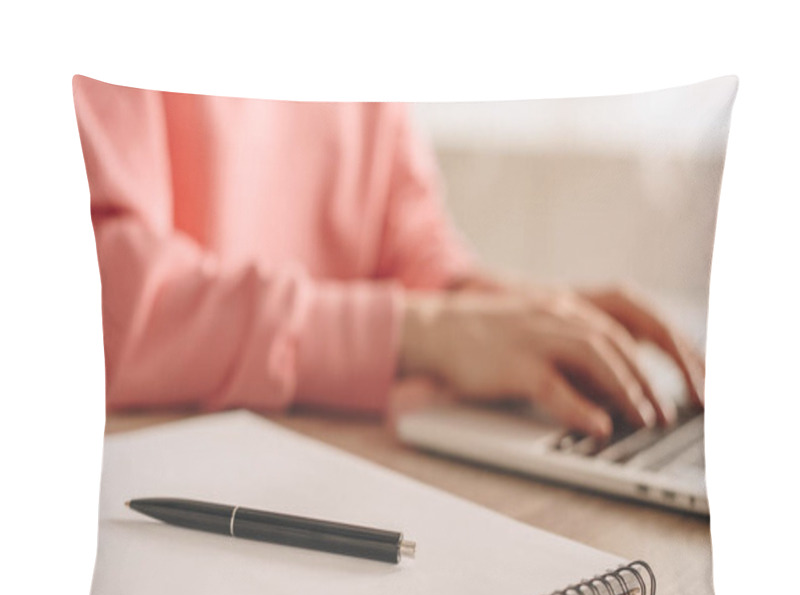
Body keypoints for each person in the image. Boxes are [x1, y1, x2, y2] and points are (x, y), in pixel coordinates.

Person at [73, 75, 704, 438]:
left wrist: (499, 310)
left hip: (329, 450)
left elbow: (408, 237)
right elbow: (105, 306)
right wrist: (417, 331)